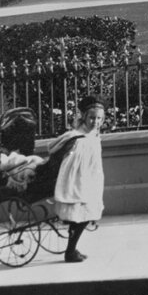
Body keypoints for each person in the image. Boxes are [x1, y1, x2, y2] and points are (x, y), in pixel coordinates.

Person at [49, 95, 106, 263]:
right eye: (92, 118)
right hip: (79, 183)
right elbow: (72, 166)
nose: (95, 122)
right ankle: (70, 251)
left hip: (90, 181)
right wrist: (79, 186)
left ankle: (71, 250)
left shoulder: (93, 135)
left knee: (82, 218)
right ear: (84, 117)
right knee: (82, 217)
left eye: (99, 118)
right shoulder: (79, 139)